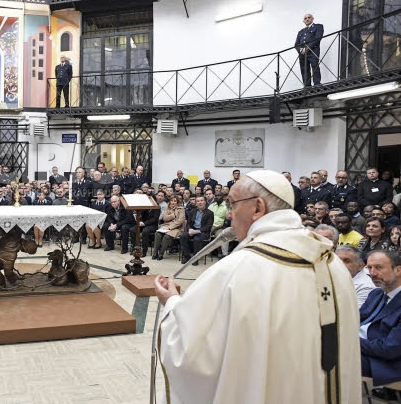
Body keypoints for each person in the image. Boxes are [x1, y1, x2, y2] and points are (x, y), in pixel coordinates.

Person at [153, 169, 360, 404]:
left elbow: (193, 352)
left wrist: (171, 302)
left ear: (259, 207)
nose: (229, 216)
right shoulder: (333, 263)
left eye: (232, 205)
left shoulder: (238, 269)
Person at [359, 249, 401, 386]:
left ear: (398, 270)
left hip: (384, 363)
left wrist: (349, 342)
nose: (372, 273)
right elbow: (354, 319)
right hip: (364, 348)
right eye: (369, 267)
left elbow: (390, 349)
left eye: (379, 267)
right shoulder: (376, 294)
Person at [294, 13, 324, 86]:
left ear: (312, 18)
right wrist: (300, 50)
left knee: (315, 66)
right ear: (303, 21)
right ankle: (307, 86)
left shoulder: (318, 26)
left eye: (309, 17)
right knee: (304, 69)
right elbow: (296, 44)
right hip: (302, 54)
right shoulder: (301, 32)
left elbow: (317, 38)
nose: (307, 19)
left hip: (313, 51)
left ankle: (317, 83)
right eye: (305, 18)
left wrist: (308, 48)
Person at [153, 195, 186, 260]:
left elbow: (180, 221)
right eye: (171, 201)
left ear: (177, 202)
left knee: (166, 237)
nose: (173, 202)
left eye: (175, 201)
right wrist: (173, 216)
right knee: (157, 234)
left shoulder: (181, 209)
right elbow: (164, 218)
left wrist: (170, 227)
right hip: (166, 226)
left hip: (177, 228)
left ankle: (161, 254)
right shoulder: (167, 208)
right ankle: (155, 253)